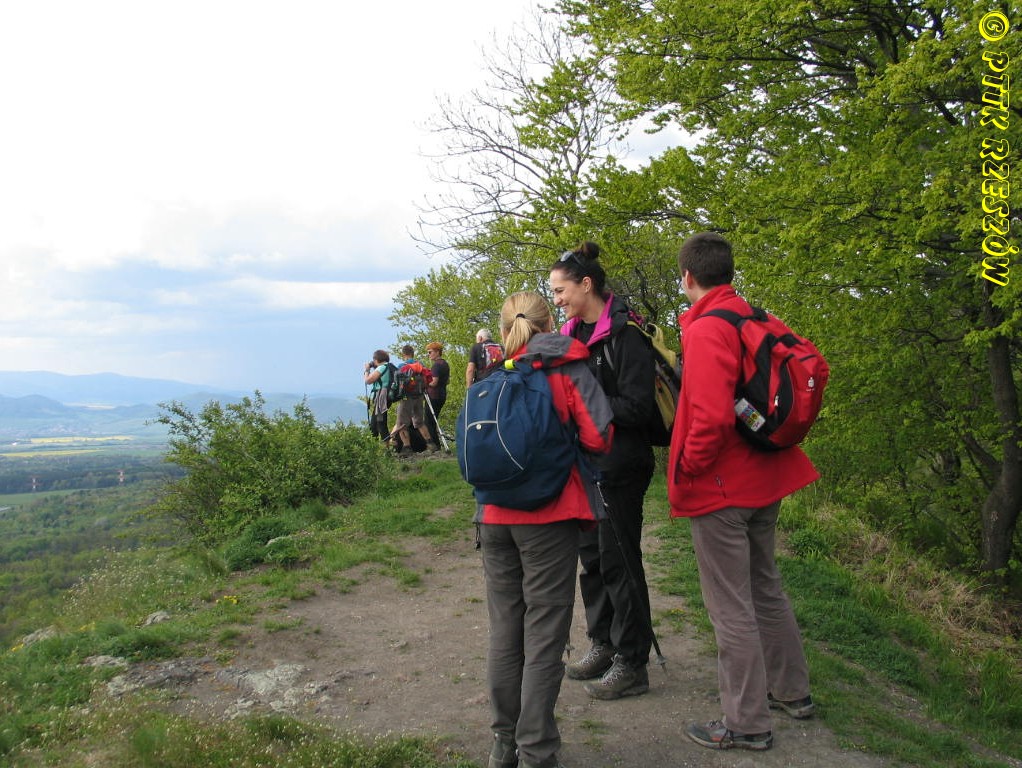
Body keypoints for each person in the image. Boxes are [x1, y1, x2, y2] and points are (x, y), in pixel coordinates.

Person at [669, 232, 818, 751]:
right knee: (765, 586)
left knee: (730, 605)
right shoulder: (756, 317)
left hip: (723, 486)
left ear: (688, 277)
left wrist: (688, 467)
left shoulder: (708, 328)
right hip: (766, 475)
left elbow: (710, 418)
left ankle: (746, 723)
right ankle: (792, 692)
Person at [478, 291, 614, 768]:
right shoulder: (567, 369)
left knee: (504, 632)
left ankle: (503, 745)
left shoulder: (495, 375)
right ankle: (537, 750)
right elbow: (600, 436)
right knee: (544, 635)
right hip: (550, 518)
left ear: (505, 329)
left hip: (493, 517)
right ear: (550, 323)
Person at [548, 242, 657, 700]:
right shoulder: (570, 337)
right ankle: (603, 642)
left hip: (621, 465)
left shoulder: (625, 336)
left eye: (560, 290)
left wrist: (582, 403)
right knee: (591, 561)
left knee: (620, 563)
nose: (556, 299)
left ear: (586, 284)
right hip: (584, 467)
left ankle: (632, 663)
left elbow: (638, 407)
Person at [392, 344, 439, 455]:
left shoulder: (402, 366)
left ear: (403, 354)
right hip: (419, 396)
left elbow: (398, 383)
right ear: (413, 354)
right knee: (419, 422)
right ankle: (431, 444)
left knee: (401, 423)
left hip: (406, 398)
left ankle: (407, 448)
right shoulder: (420, 364)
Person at [363, 349, 393, 440]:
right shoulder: (388, 366)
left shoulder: (381, 367)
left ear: (376, 359)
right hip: (387, 395)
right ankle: (375, 443)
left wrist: (367, 370)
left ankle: (386, 446)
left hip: (382, 396)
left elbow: (368, 381)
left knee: (380, 422)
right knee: (374, 423)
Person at [424, 341, 450, 448]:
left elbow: (434, 382)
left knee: (429, 421)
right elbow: (447, 381)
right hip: (442, 394)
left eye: (430, 352)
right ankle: (437, 444)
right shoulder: (445, 364)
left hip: (433, 396)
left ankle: (435, 445)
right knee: (433, 421)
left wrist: (424, 383)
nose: (429, 354)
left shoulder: (436, 365)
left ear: (437, 352)